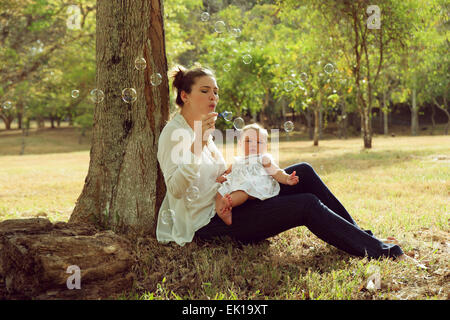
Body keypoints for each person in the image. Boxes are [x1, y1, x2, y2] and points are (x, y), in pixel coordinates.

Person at [156, 65, 419, 265]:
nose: (213, 96)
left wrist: (241, 171)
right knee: (305, 204)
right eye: (205, 91)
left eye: (215, 91)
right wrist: (197, 146)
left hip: (231, 202)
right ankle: (383, 252)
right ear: (184, 95)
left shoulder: (203, 130)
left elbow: (214, 175)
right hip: (210, 223)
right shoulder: (174, 134)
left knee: (301, 170)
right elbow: (177, 190)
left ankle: (359, 234)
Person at [215, 123, 299, 226]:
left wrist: (286, 178)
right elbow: (228, 173)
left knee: (244, 190)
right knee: (220, 191)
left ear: (266, 147)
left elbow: (276, 172)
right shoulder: (237, 161)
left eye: (259, 142)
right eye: (248, 141)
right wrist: (223, 177)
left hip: (254, 186)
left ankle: (230, 202)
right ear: (240, 144)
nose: (253, 145)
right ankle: (223, 212)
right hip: (237, 185)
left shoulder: (263, 158)